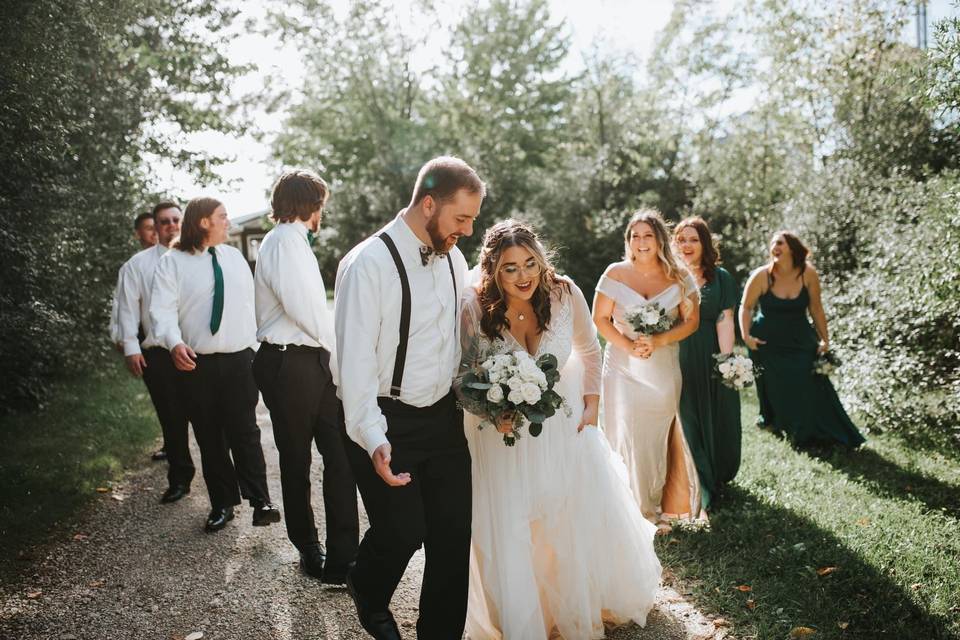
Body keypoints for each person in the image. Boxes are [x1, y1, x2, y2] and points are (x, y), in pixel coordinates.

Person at [457, 220, 662, 640]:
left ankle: (562, 606)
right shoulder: (475, 305)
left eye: (530, 263)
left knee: (563, 516)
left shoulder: (564, 292)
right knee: (513, 521)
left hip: (563, 424)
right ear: (493, 268)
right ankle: (521, 618)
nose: (523, 276)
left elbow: (589, 349)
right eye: (510, 268)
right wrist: (493, 411)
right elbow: (462, 374)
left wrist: (592, 405)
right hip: (501, 435)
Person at [333, 156, 483, 640]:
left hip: (442, 418)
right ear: (427, 204)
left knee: (452, 534)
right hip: (384, 416)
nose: (467, 229)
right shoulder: (367, 264)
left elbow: (463, 339)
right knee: (401, 531)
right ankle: (367, 586)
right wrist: (373, 437)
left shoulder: (455, 258)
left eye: (473, 220)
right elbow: (353, 366)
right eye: (461, 218)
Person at [252, 171, 359, 584]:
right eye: (322, 204)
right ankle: (308, 547)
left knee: (340, 456)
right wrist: (343, 352)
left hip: (312, 360)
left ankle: (344, 557)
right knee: (296, 460)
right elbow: (306, 311)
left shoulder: (295, 242)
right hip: (288, 364)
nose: (323, 213)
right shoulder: (282, 241)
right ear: (312, 205)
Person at [150, 197, 281, 532]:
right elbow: (161, 312)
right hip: (197, 364)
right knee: (210, 436)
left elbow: (254, 303)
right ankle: (223, 504)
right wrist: (174, 342)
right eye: (223, 217)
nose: (229, 223)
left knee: (246, 431)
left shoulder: (234, 258)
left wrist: (258, 345)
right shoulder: (172, 262)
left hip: (240, 360)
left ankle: (261, 500)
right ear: (204, 222)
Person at [593, 209, 703, 529]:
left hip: (662, 367)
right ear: (628, 241)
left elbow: (692, 320)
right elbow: (600, 319)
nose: (641, 242)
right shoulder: (614, 273)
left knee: (656, 437)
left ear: (659, 240)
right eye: (635, 236)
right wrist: (629, 346)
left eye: (648, 235)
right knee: (622, 431)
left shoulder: (679, 275)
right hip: (621, 367)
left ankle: (653, 507)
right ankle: (621, 507)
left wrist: (659, 340)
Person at [739, 231, 865, 448]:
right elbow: (746, 307)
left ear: (792, 248)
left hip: (800, 339)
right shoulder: (762, 276)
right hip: (768, 342)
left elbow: (816, 308)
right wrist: (746, 336)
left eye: (780, 243)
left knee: (810, 384)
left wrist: (825, 340)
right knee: (776, 389)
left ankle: (816, 430)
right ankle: (785, 428)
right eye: (772, 244)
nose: (774, 247)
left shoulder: (808, 274)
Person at [116, 202, 195, 502]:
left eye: (177, 219)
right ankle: (180, 478)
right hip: (158, 354)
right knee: (171, 418)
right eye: (164, 222)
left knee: (207, 417)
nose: (172, 226)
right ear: (155, 226)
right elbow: (127, 309)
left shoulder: (194, 257)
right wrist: (131, 348)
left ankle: (222, 486)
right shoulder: (137, 265)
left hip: (195, 351)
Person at [674, 217, 742, 512]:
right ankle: (699, 481)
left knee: (718, 413)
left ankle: (717, 474)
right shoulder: (669, 276)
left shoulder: (721, 277)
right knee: (687, 415)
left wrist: (725, 360)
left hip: (711, 351)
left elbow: (725, 319)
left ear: (704, 244)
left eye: (693, 239)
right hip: (677, 354)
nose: (686, 245)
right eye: (681, 239)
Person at [109, 210, 163, 460]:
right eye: (148, 227)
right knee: (164, 400)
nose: (154, 231)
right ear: (138, 233)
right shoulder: (134, 265)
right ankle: (172, 445)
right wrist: (123, 339)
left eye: (156, 226)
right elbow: (122, 306)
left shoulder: (177, 257)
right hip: (147, 337)